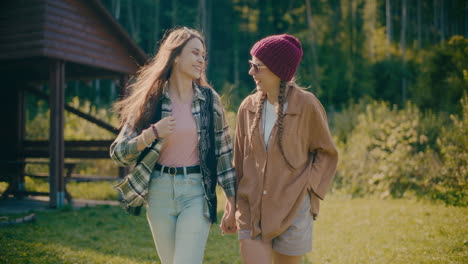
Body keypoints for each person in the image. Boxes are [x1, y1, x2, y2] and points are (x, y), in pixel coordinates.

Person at [110, 27, 236, 264]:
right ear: (176, 56)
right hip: (159, 192)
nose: (201, 60)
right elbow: (118, 153)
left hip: (196, 192)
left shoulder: (210, 101)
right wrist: (150, 134)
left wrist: (232, 199)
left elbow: (224, 154)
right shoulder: (151, 100)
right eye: (195, 53)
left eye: (203, 55)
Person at [226, 34, 338, 264]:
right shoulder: (247, 108)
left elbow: (326, 152)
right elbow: (238, 162)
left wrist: (308, 187)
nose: (251, 72)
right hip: (251, 210)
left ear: (278, 70)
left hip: (292, 210)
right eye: (251, 65)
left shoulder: (307, 105)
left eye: (257, 67)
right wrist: (231, 206)